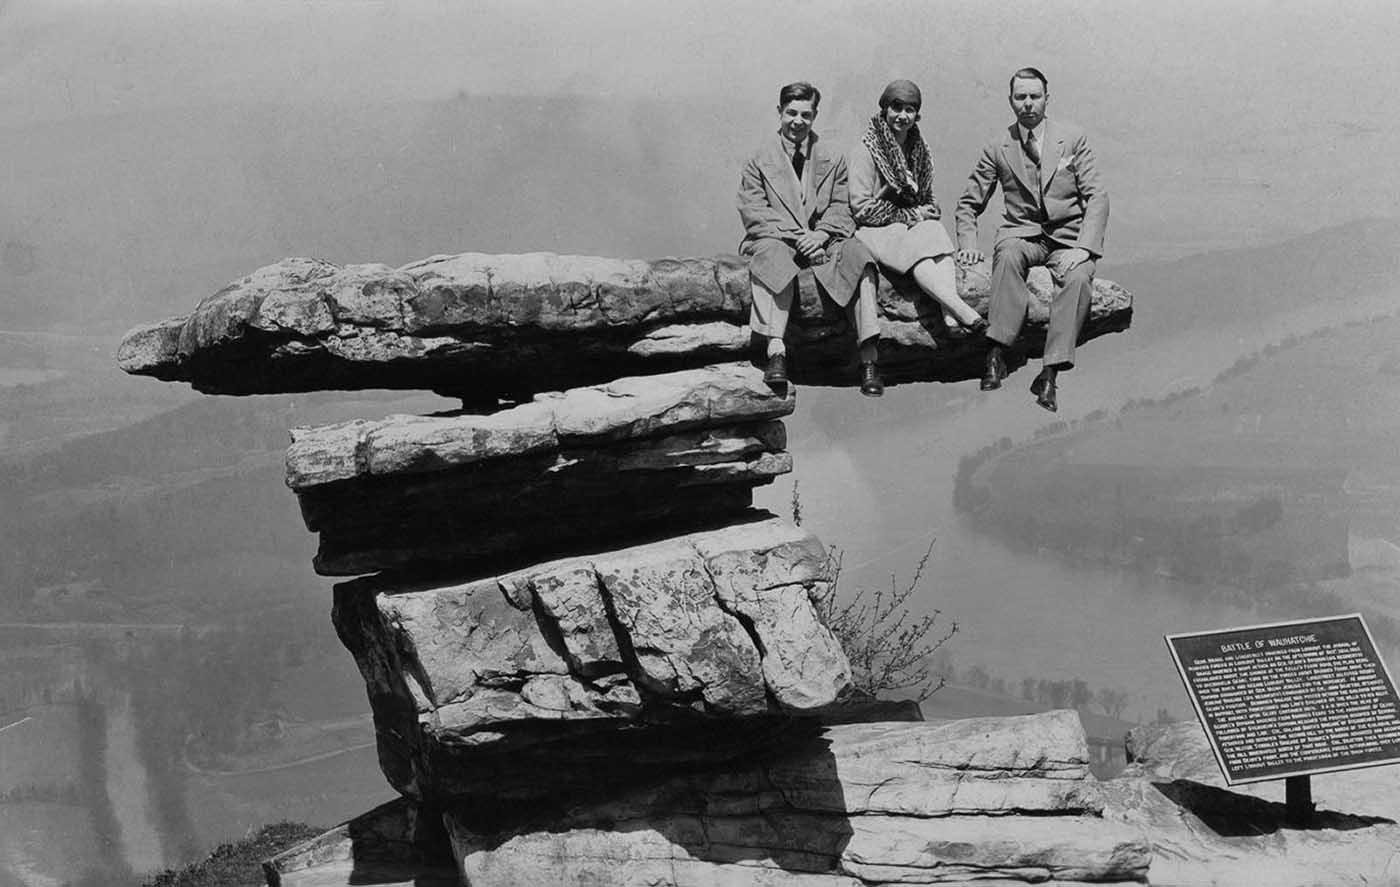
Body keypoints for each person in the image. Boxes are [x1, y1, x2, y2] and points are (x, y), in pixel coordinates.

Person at [954, 67, 1109, 412]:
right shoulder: (998, 146)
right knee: (1007, 256)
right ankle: (997, 352)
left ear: (1046, 99)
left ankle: (1050, 374)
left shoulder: (1072, 139)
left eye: (1034, 97)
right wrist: (967, 244)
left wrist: (1083, 248)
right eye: (1020, 97)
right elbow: (968, 203)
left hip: (1068, 238)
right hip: (1022, 234)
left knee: (1080, 278)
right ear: (1011, 101)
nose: (1027, 104)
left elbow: (1097, 196)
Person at [738, 81, 884, 397]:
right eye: (791, 113)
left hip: (824, 238)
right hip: (776, 237)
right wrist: (798, 237)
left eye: (806, 114)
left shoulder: (833, 156)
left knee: (860, 257)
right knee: (770, 257)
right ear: (779, 112)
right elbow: (753, 211)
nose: (798, 121)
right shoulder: (758, 159)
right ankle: (776, 352)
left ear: (815, 116)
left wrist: (820, 234)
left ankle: (869, 357)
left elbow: (842, 206)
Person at [848, 79, 986, 337]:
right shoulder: (866, 150)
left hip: (909, 224)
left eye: (909, 110)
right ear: (884, 109)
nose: (902, 115)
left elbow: (924, 194)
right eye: (896, 108)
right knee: (918, 249)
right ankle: (962, 310)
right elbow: (861, 209)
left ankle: (949, 312)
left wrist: (929, 208)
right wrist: (913, 214)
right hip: (874, 229)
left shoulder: (918, 149)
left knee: (934, 231)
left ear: (917, 115)